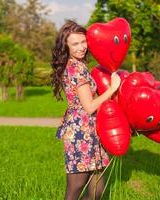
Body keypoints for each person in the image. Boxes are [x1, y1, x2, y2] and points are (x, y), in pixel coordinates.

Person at [51, 20, 121, 200]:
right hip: (81, 134)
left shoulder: (78, 65)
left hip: (90, 130)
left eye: (83, 42)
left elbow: (77, 99)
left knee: (97, 189)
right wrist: (113, 89)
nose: (82, 47)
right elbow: (89, 107)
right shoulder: (76, 69)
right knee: (75, 188)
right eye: (75, 43)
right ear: (65, 46)